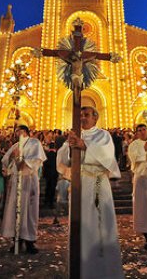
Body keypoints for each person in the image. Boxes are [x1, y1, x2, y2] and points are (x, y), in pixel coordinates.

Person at [57, 106, 124, 279]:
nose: (83, 118)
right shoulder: (74, 135)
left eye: (87, 115)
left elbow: (108, 157)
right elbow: (62, 161)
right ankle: (81, 268)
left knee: (99, 226)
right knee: (81, 226)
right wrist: (68, 145)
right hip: (79, 185)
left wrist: (85, 145)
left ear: (95, 118)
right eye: (80, 115)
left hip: (97, 183)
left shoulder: (103, 135)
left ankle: (103, 270)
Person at [1, 125, 46, 254]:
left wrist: (21, 160)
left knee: (29, 211)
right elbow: (6, 161)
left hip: (29, 180)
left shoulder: (34, 143)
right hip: (16, 181)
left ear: (26, 132)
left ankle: (30, 240)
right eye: (16, 132)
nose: (17, 134)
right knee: (15, 210)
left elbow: (35, 160)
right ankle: (16, 239)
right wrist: (12, 158)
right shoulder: (15, 146)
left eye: (19, 131)